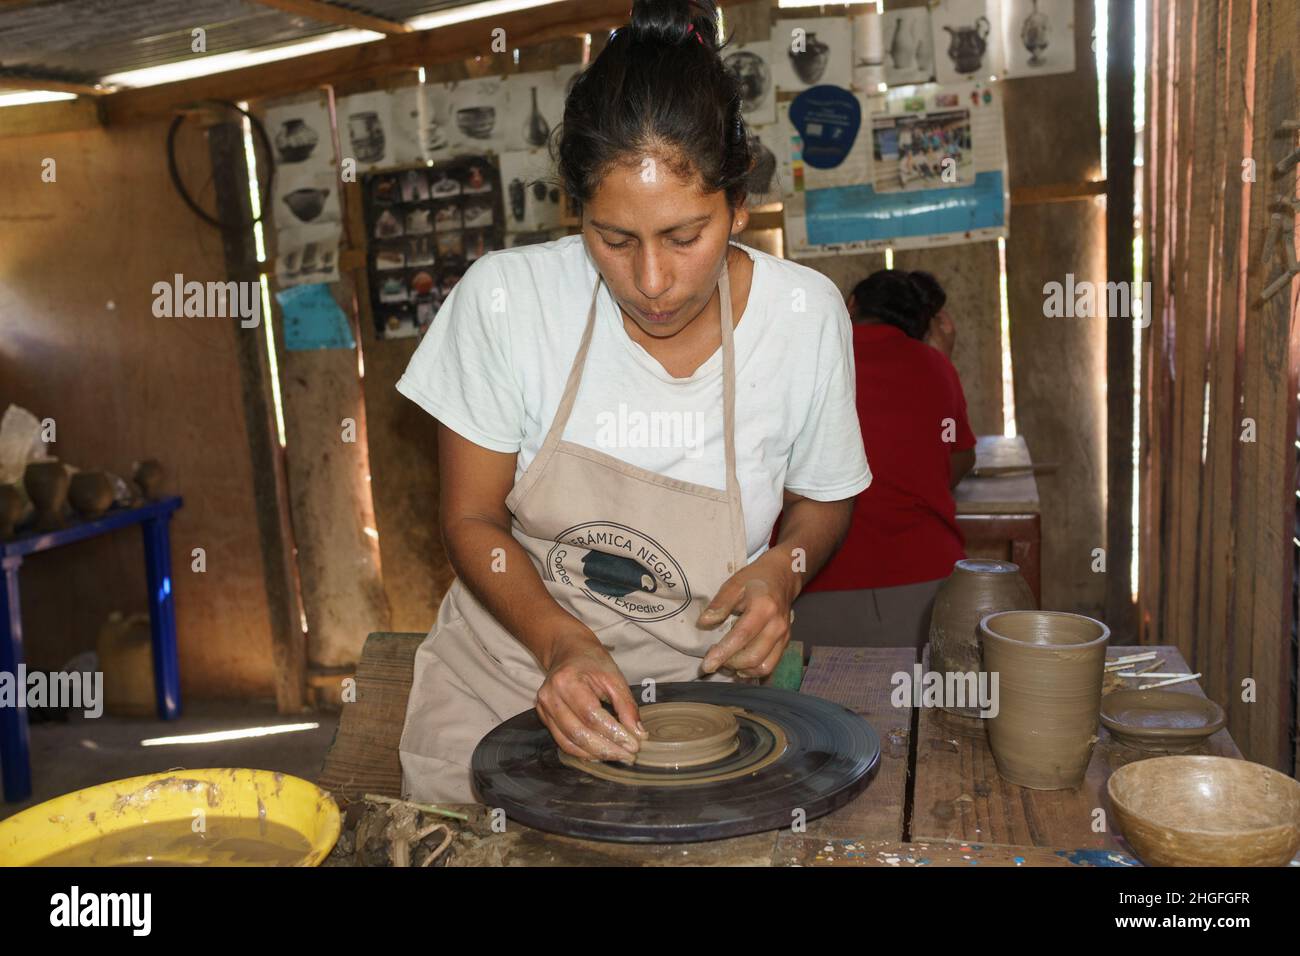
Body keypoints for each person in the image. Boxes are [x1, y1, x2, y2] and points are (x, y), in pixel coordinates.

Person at [395, 0, 872, 804]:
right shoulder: (508, 302)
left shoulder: (804, 317)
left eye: (685, 237)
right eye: (614, 240)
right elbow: (470, 519)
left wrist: (780, 576)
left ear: (739, 206)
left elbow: (823, 503)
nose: (651, 283)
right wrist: (562, 644)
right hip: (501, 679)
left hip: (693, 709)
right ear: (574, 211)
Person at [789, 269, 976, 651]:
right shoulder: (936, 366)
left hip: (816, 583)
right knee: (925, 708)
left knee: (816, 710)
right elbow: (958, 461)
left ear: (851, 305)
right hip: (926, 588)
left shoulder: (806, 360)